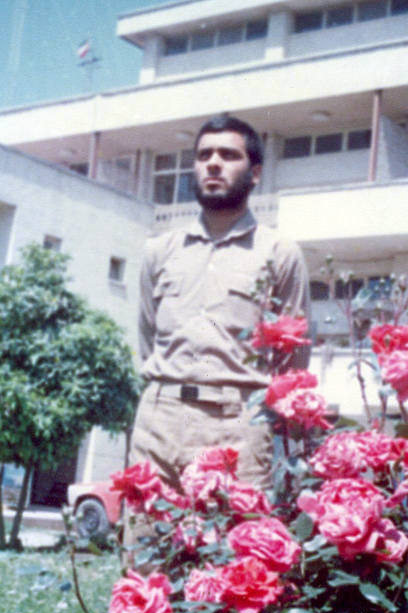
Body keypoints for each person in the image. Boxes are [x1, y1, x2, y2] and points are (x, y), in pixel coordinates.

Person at [130, 114, 310, 492]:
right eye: (204, 155)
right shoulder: (160, 250)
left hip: (238, 425)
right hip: (158, 423)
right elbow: (147, 337)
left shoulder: (279, 253)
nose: (213, 163)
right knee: (144, 528)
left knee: (237, 530)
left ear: (255, 173)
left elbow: (293, 359)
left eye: (228, 155)